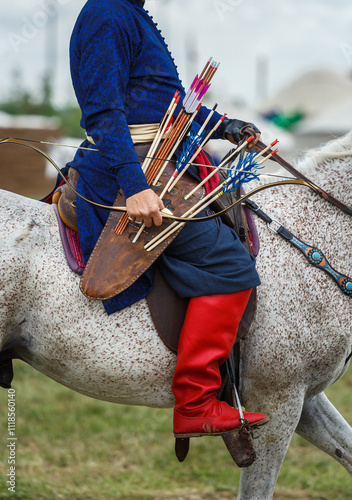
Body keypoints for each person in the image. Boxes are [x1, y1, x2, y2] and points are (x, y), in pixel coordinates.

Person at [66, 0, 268, 437]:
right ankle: (195, 404)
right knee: (231, 265)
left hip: (156, 164)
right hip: (131, 173)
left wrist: (225, 126)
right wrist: (135, 185)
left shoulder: (127, 12)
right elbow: (104, 111)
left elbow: (162, 106)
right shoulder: (109, 13)